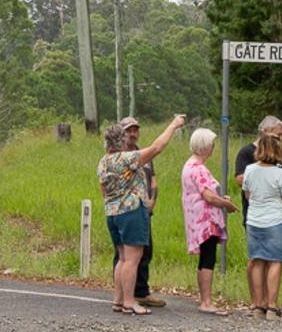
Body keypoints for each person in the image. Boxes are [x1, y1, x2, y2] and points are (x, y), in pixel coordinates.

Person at [98, 114, 186, 315]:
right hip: (131, 210)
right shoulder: (127, 158)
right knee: (132, 259)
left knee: (121, 257)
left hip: (112, 212)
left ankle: (118, 300)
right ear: (121, 140)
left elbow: (103, 189)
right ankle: (130, 302)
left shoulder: (103, 162)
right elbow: (157, 147)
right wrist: (173, 125)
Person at [180, 128, 238, 315]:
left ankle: (204, 298)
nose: (213, 147)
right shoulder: (200, 168)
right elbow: (208, 196)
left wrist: (220, 198)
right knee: (208, 258)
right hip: (206, 219)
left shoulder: (189, 165)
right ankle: (206, 301)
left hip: (195, 218)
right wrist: (227, 205)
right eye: (212, 144)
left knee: (205, 258)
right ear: (205, 146)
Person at [111, 117, 165, 308]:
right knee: (126, 255)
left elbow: (153, 180)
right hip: (128, 209)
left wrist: (152, 200)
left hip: (143, 208)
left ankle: (140, 291)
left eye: (135, 130)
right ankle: (126, 296)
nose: (133, 134)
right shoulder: (120, 156)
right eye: (128, 130)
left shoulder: (142, 153)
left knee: (145, 251)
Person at [242, 133, 282, 321]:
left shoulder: (249, 169)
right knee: (275, 261)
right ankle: (272, 306)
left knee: (257, 260)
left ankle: (258, 304)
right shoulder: (279, 173)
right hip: (274, 220)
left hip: (254, 220)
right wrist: (280, 205)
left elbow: (247, 194)